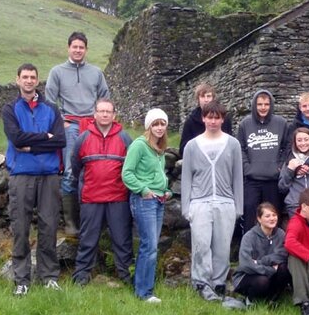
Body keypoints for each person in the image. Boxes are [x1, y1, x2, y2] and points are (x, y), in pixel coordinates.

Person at [3, 63, 67, 296]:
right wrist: (43, 138)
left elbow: (60, 140)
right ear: (17, 79)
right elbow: (17, 139)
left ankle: (48, 276)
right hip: (21, 175)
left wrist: (32, 147)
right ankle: (22, 279)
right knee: (20, 227)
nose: (29, 81)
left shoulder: (51, 109)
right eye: (25, 77)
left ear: (38, 81)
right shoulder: (10, 109)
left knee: (49, 226)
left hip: (49, 175)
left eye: (33, 77)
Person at [46, 31, 110, 235]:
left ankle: (92, 222)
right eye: (74, 46)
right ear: (68, 48)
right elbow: (49, 100)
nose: (78, 50)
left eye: (81, 47)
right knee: (71, 173)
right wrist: (60, 122)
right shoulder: (57, 72)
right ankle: (72, 224)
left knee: (95, 169)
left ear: (86, 50)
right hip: (70, 125)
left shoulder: (96, 72)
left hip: (93, 126)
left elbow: (104, 97)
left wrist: (99, 120)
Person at [181, 101, 244, 302]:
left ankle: (218, 283)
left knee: (222, 246)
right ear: (203, 118)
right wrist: (186, 207)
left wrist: (238, 206)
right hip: (200, 201)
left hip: (226, 202)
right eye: (210, 117)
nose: (213, 121)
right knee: (201, 244)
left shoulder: (232, 144)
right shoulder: (192, 145)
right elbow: (187, 178)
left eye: (217, 117)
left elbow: (237, 177)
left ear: (222, 119)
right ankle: (201, 282)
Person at [70, 99, 133, 286]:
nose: (105, 114)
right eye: (101, 111)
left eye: (108, 111)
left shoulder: (124, 137)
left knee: (122, 240)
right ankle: (81, 277)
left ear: (114, 115)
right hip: (91, 198)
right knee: (87, 240)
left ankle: (127, 276)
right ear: (95, 114)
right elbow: (75, 166)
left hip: (118, 198)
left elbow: (131, 167)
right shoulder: (83, 138)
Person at [122, 108, 172, 303]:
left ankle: (145, 289)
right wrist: (143, 190)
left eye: (163, 124)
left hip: (158, 200)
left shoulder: (159, 147)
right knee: (148, 246)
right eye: (155, 124)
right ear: (148, 126)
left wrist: (166, 189)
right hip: (144, 201)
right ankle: (144, 292)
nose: (159, 128)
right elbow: (127, 173)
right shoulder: (139, 145)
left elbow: (157, 174)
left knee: (152, 246)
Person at [237, 89, 289, 231]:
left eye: (266, 104)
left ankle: (273, 248)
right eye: (260, 104)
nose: (263, 107)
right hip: (252, 180)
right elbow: (240, 148)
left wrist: (279, 166)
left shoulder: (281, 123)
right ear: (254, 105)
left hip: (273, 179)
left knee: (273, 215)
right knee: (249, 213)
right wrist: (247, 167)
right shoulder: (245, 124)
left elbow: (288, 147)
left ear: (271, 105)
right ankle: (249, 249)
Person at [232, 203, 290, 305]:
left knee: (284, 268)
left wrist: (260, 261)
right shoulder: (249, 237)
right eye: (267, 216)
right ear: (259, 219)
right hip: (248, 276)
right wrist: (270, 269)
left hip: (266, 272)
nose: (272, 218)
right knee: (262, 281)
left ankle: (272, 299)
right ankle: (250, 300)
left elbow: (283, 255)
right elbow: (246, 264)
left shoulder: (281, 234)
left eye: (274, 215)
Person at [179, 82, 234, 158]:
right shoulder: (191, 121)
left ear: (213, 98)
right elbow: (183, 149)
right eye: (202, 97)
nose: (206, 100)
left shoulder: (224, 118)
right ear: (198, 99)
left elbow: (230, 143)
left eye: (208, 96)